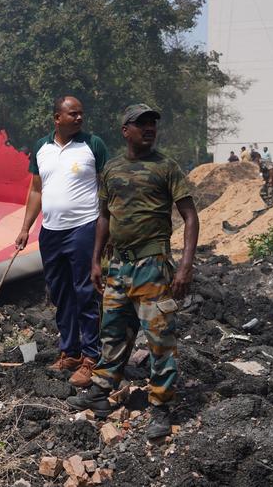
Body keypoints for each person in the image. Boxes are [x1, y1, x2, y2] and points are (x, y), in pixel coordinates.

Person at [66, 103, 199, 441]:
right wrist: (96, 261)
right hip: (118, 267)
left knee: (159, 340)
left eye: (153, 123)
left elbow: (190, 217)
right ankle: (100, 393)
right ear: (126, 131)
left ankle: (160, 407)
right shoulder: (111, 169)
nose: (149, 128)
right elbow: (104, 218)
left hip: (153, 266)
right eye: (141, 124)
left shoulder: (166, 168)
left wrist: (185, 266)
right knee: (112, 332)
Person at [15, 95, 109, 388]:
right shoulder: (41, 148)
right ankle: (70, 352)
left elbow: (107, 187)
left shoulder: (93, 145)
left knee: (85, 291)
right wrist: (25, 227)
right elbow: (36, 191)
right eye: (73, 114)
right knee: (60, 293)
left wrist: (109, 230)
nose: (79, 118)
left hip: (83, 227)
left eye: (81, 113)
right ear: (57, 118)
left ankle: (91, 357)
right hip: (51, 231)